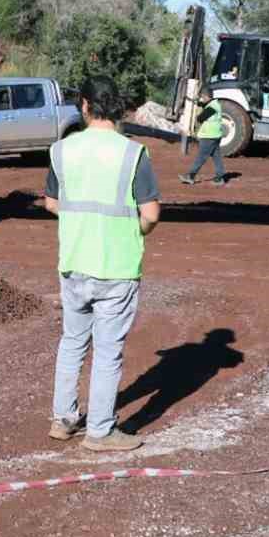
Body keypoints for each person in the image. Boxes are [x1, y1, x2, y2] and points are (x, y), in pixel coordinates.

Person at [39, 76, 162, 452]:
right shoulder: (132, 153)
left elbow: (51, 202)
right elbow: (151, 213)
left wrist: (80, 220)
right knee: (108, 351)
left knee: (73, 342)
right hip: (117, 266)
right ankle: (100, 432)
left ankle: (63, 420)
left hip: (74, 262)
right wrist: (135, 229)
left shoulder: (61, 150)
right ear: (119, 108)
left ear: (85, 106)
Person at [179, 92, 227, 186]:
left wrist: (197, 109)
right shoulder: (214, 104)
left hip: (209, 136)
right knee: (216, 157)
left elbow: (200, 118)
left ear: (207, 96)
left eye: (202, 97)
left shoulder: (212, 107)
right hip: (215, 135)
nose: (202, 99)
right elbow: (204, 105)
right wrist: (194, 102)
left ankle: (190, 175)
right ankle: (220, 177)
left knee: (201, 157)